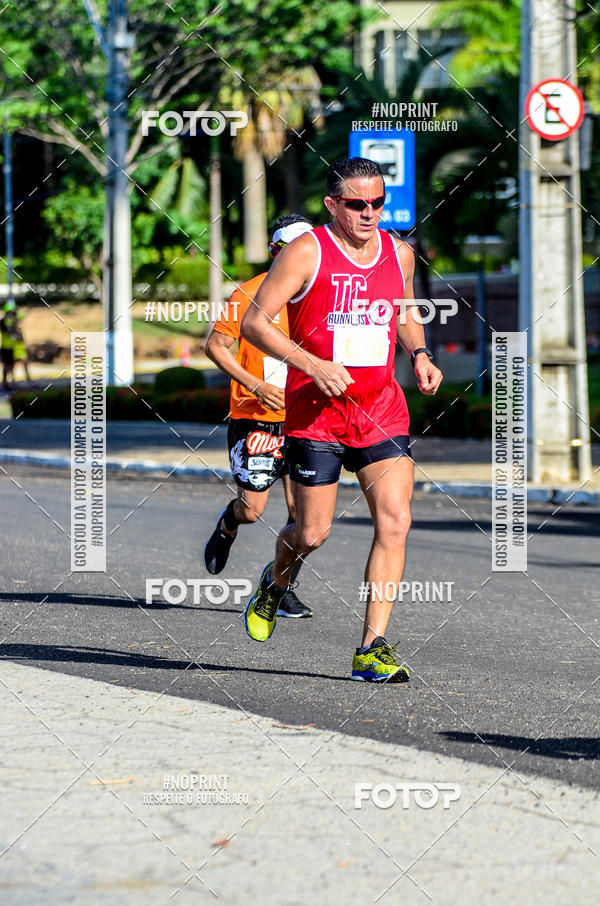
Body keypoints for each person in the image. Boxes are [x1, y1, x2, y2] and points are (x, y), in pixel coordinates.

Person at [240, 157, 443, 681]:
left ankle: (370, 650)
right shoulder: (308, 252)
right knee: (311, 532)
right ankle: (275, 582)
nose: (370, 213)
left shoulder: (399, 254)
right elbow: (254, 323)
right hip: (316, 414)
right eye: (357, 204)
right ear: (333, 204)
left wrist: (419, 354)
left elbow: (404, 312)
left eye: (378, 203)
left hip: (379, 410)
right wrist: (311, 364)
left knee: (395, 523)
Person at [203, 214, 314, 619]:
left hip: (303, 417)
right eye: (293, 250)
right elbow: (216, 347)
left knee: (305, 518)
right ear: (275, 252)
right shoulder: (247, 295)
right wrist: (255, 384)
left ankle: (281, 587)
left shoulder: (318, 298)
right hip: (257, 417)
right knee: (253, 509)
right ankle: (228, 524)